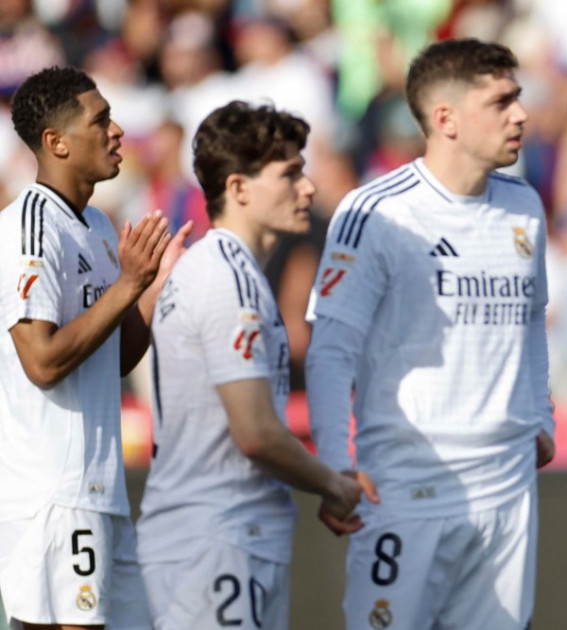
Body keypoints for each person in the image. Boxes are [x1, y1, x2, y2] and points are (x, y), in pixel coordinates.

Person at [305, 38, 555, 630]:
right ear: (445, 119)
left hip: (507, 482)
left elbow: (532, 322)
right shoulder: (377, 211)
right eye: (501, 102)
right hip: (408, 482)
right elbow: (331, 349)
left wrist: (541, 417)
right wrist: (336, 463)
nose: (521, 114)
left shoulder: (524, 205)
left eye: (518, 98)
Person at [135, 100, 365, 630]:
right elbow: (257, 433)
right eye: (290, 173)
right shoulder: (228, 279)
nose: (307, 188)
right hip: (217, 544)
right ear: (239, 188)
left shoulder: (226, 271)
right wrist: (334, 484)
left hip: (213, 542)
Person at [0, 66, 184, 629]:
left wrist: (150, 286)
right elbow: (43, 360)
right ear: (55, 142)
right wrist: (127, 285)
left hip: (101, 491)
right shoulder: (29, 227)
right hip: (53, 493)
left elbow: (118, 357)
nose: (117, 131)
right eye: (100, 120)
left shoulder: (100, 226)